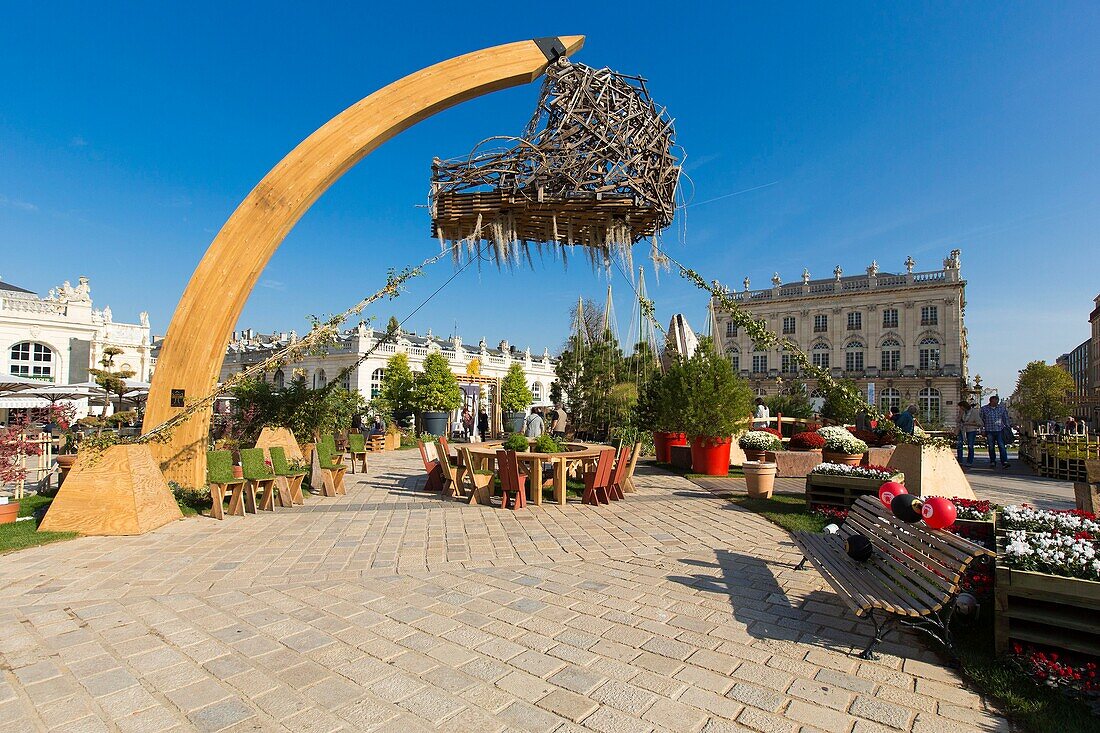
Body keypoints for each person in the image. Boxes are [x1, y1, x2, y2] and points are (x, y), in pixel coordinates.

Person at [980, 395, 1012, 468]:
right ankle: (992, 461)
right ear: (990, 401)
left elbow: (1005, 418)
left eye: (997, 402)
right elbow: (981, 420)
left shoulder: (1001, 408)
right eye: (994, 402)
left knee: (1002, 446)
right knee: (991, 447)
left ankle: (1004, 461)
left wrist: (1008, 427)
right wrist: (982, 430)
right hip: (989, 430)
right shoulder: (984, 409)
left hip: (999, 430)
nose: (996, 403)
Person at [956, 401, 983, 466]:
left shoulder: (974, 412)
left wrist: (968, 423)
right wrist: (960, 415)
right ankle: (960, 461)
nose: (960, 408)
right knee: (959, 444)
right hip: (962, 430)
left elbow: (980, 423)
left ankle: (969, 461)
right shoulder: (962, 412)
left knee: (970, 446)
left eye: (961, 407)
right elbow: (957, 421)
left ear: (964, 406)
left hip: (971, 430)